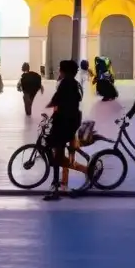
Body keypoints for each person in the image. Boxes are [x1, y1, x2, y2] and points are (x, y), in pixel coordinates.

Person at [44, 60, 83, 201]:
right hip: (71, 123)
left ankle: (55, 189)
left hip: (63, 124)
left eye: (60, 68)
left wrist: (47, 106)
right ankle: (58, 184)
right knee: (58, 154)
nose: (59, 70)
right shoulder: (74, 84)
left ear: (64, 71)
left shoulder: (65, 83)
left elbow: (56, 100)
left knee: (57, 155)